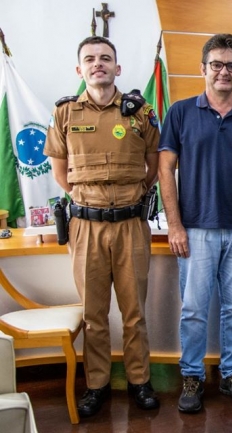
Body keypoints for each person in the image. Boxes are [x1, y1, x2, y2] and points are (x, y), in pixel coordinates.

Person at [158, 33, 232, 413]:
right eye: (217, 64)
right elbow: (165, 171)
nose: (224, 71)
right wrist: (174, 226)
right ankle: (191, 376)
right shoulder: (180, 112)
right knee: (193, 308)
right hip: (195, 229)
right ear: (203, 68)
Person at [44, 36, 160, 417]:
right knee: (93, 314)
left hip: (130, 226)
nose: (98, 64)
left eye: (106, 58)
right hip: (86, 227)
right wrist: (92, 201)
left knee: (134, 312)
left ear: (118, 68)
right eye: (90, 59)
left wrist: (129, 196)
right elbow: (62, 174)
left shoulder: (140, 113)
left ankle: (140, 381)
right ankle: (96, 384)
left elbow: (153, 166)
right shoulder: (64, 114)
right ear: (80, 70)